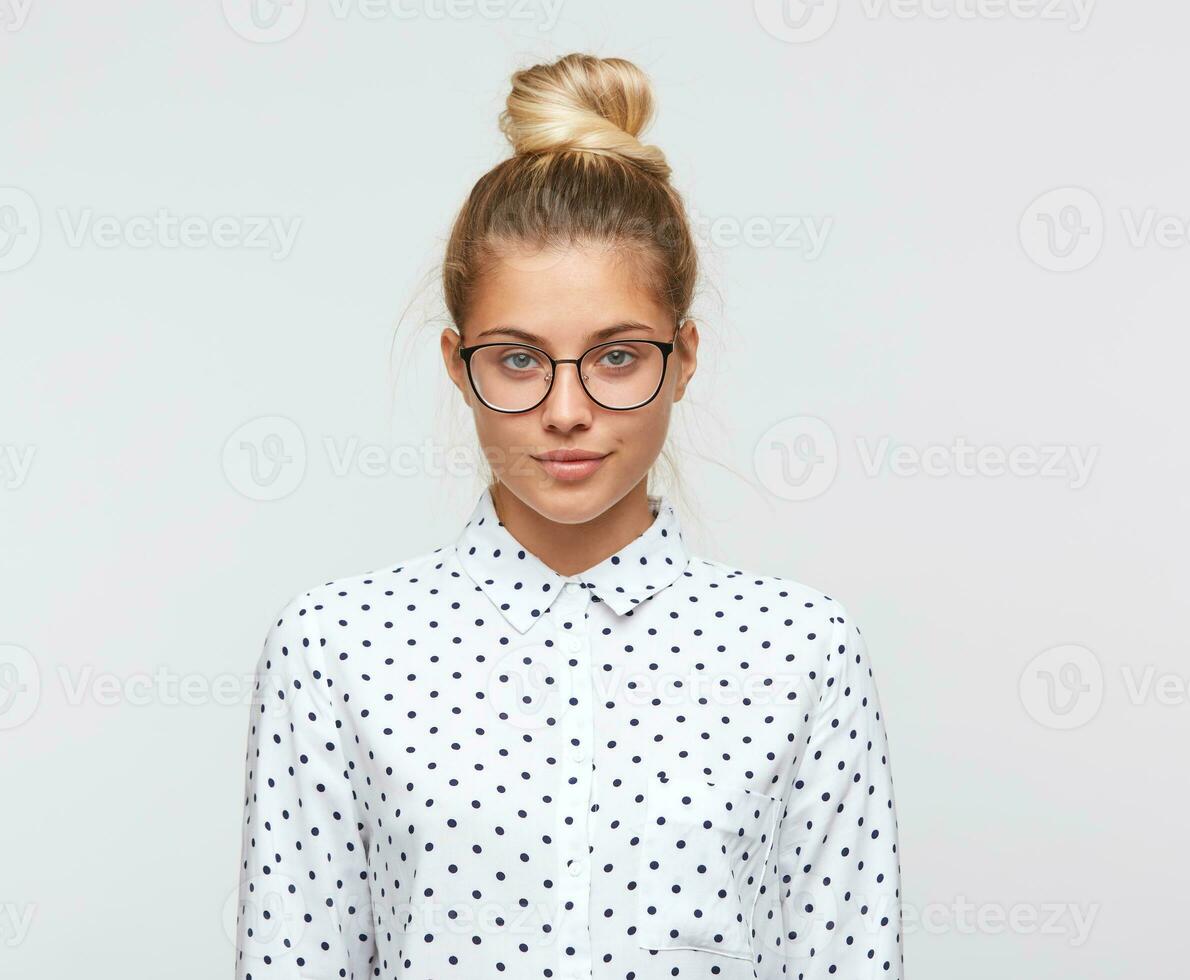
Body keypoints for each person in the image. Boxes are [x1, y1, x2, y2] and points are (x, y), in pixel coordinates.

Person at [233, 52, 902, 980]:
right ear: (456, 363)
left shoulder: (800, 650)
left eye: (617, 356)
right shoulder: (338, 648)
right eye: (516, 359)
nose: (566, 408)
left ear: (684, 357)